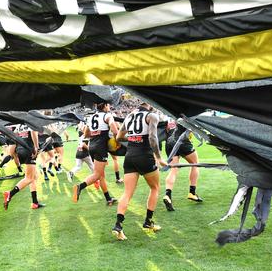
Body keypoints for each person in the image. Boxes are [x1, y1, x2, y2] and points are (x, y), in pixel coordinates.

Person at [112, 102, 165, 240]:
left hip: (130, 157)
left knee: (127, 193)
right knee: (155, 188)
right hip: (145, 157)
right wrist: (158, 157)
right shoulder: (152, 115)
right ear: (148, 104)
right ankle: (148, 221)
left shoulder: (129, 116)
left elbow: (118, 137)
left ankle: (118, 225)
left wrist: (132, 138)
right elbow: (152, 138)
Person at [72, 103, 118, 206]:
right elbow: (115, 131)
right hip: (100, 147)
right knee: (97, 174)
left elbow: (86, 133)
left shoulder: (91, 116)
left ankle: (108, 199)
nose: (109, 107)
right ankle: (80, 187)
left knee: (101, 175)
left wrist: (96, 133)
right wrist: (117, 142)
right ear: (105, 106)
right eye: (108, 105)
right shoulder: (108, 115)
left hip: (92, 147)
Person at [163, 119, 203, 212]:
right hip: (182, 141)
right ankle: (192, 193)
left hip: (169, 142)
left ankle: (167, 195)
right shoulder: (185, 114)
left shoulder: (169, 115)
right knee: (195, 164)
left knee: (174, 170)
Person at [2, 124, 44, 210]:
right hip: (29, 150)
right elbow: (33, 132)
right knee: (29, 178)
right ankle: (10, 194)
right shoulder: (30, 121)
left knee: (34, 176)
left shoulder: (19, 125)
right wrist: (36, 147)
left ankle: (35, 202)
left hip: (20, 150)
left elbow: (14, 136)